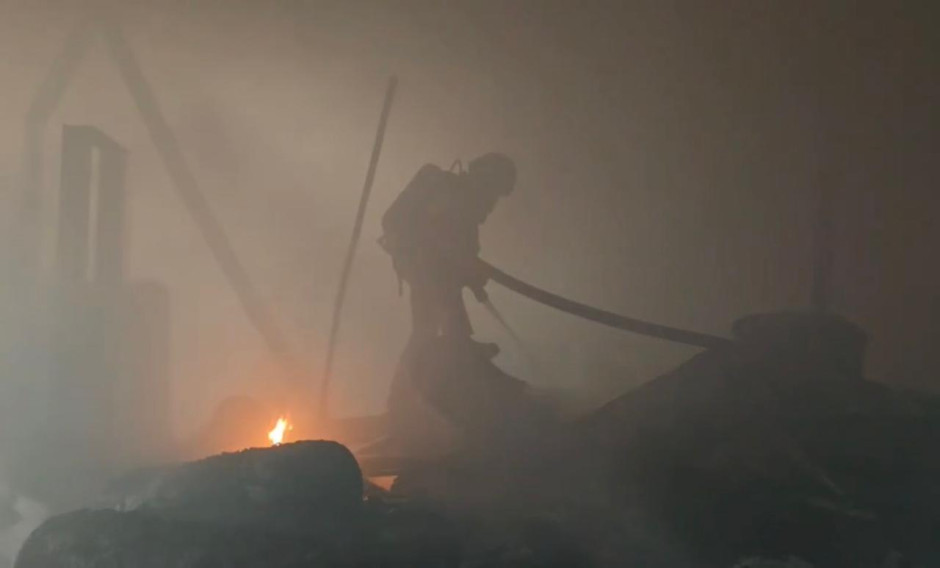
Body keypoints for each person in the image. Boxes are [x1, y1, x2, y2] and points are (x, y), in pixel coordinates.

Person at [380, 152, 516, 353]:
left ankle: (456, 344)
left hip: (425, 265)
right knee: (430, 312)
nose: (492, 203)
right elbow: (401, 225)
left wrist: (474, 279)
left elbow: (466, 257)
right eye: (492, 193)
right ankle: (456, 345)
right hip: (420, 261)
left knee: (427, 324)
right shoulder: (443, 190)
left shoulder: (465, 217)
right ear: (482, 182)